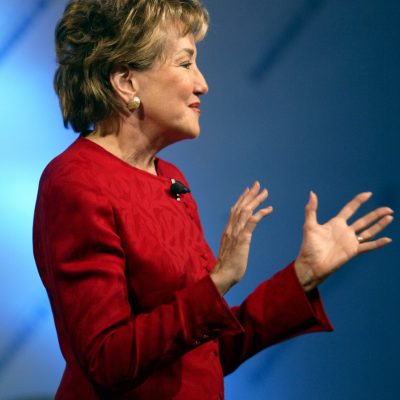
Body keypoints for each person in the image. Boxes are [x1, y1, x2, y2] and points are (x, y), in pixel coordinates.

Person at [33, 0, 394, 399]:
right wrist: (219, 281)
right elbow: (107, 360)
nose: (202, 84)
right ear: (126, 80)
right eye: (186, 63)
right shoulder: (76, 182)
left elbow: (206, 353)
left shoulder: (171, 178)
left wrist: (302, 275)